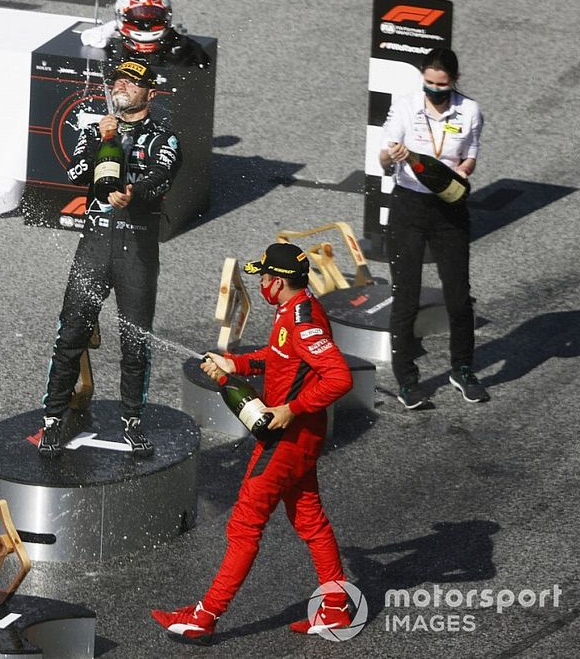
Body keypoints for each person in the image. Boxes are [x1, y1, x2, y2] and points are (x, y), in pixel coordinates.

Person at [150, 243, 353, 645]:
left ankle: (205, 616)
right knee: (309, 518)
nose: (260, 283)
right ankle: (336, 607)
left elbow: (340, 378)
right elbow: (280, 357)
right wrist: (234, 364)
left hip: (289, 438)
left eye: (263, 277)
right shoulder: (295, 309)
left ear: (277, 282)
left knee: (244, 524)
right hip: (299, 437)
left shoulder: (303, 322)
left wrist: (292, 409)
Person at [39, 58, 181, 458]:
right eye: (119, 79)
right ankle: (52, 418)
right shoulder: (94, 128)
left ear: (150, 93)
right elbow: (75, 173)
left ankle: (132, 421)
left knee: (135, 341)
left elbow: (162, 176)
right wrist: (106, 139)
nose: (122, 86)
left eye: (132, 83)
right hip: (95, 247)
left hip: (137, 249)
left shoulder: (162, 136)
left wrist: (133, 192)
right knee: (70, 334)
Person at [379, 47, 489, 409]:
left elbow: (470, 154)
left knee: (458, 297)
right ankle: (407, 381)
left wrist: (464, 170)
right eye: (429, 83)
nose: (434, 90)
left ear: (453, 81)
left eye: (442, 85)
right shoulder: (407, 105)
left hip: (449, 208)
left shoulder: (470, 110)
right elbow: (384, 151)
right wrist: (391, 155)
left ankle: (462, 369)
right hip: (408, 206)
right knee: (406, 297)